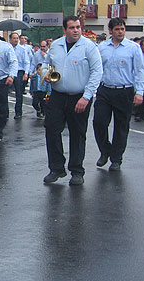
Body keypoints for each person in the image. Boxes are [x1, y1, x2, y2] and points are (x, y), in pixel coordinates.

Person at [42, 16, 103, 185]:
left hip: (79, 96)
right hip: (58, 95)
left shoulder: (89, 47)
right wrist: (45, 75)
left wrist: (86, 97)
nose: (76, 30)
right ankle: (56, 168)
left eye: (78, 27)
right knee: (51, 130)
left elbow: (97, 72)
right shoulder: (55, 45)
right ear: (65, 30)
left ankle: (77, 171)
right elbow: (45, 64)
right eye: (72, 27)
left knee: (77, 133)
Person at [93, 18, 144, 171]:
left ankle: (116, 158)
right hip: (105, 90)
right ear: (111, 31)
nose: (120, 32)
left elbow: (140, 71)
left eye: (122, 29)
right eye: (117, 29)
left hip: (125, 91)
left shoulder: (133, 48)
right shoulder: (101, 48)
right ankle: (105, 150)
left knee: (121, 126)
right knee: (99, 122)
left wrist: (140, 92)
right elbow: (96, 69)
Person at [9, 33, 31, 120]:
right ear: (10, 39)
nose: (15, 40)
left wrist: (26, 73)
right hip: (9, 72)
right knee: (4, 92)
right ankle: (5, 113)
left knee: (19, 93)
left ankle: (18, 112)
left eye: (17, 38)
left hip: (19, 72)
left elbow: (26, 62)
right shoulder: (8, 49)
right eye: (14, 38)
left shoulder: (22, 49)